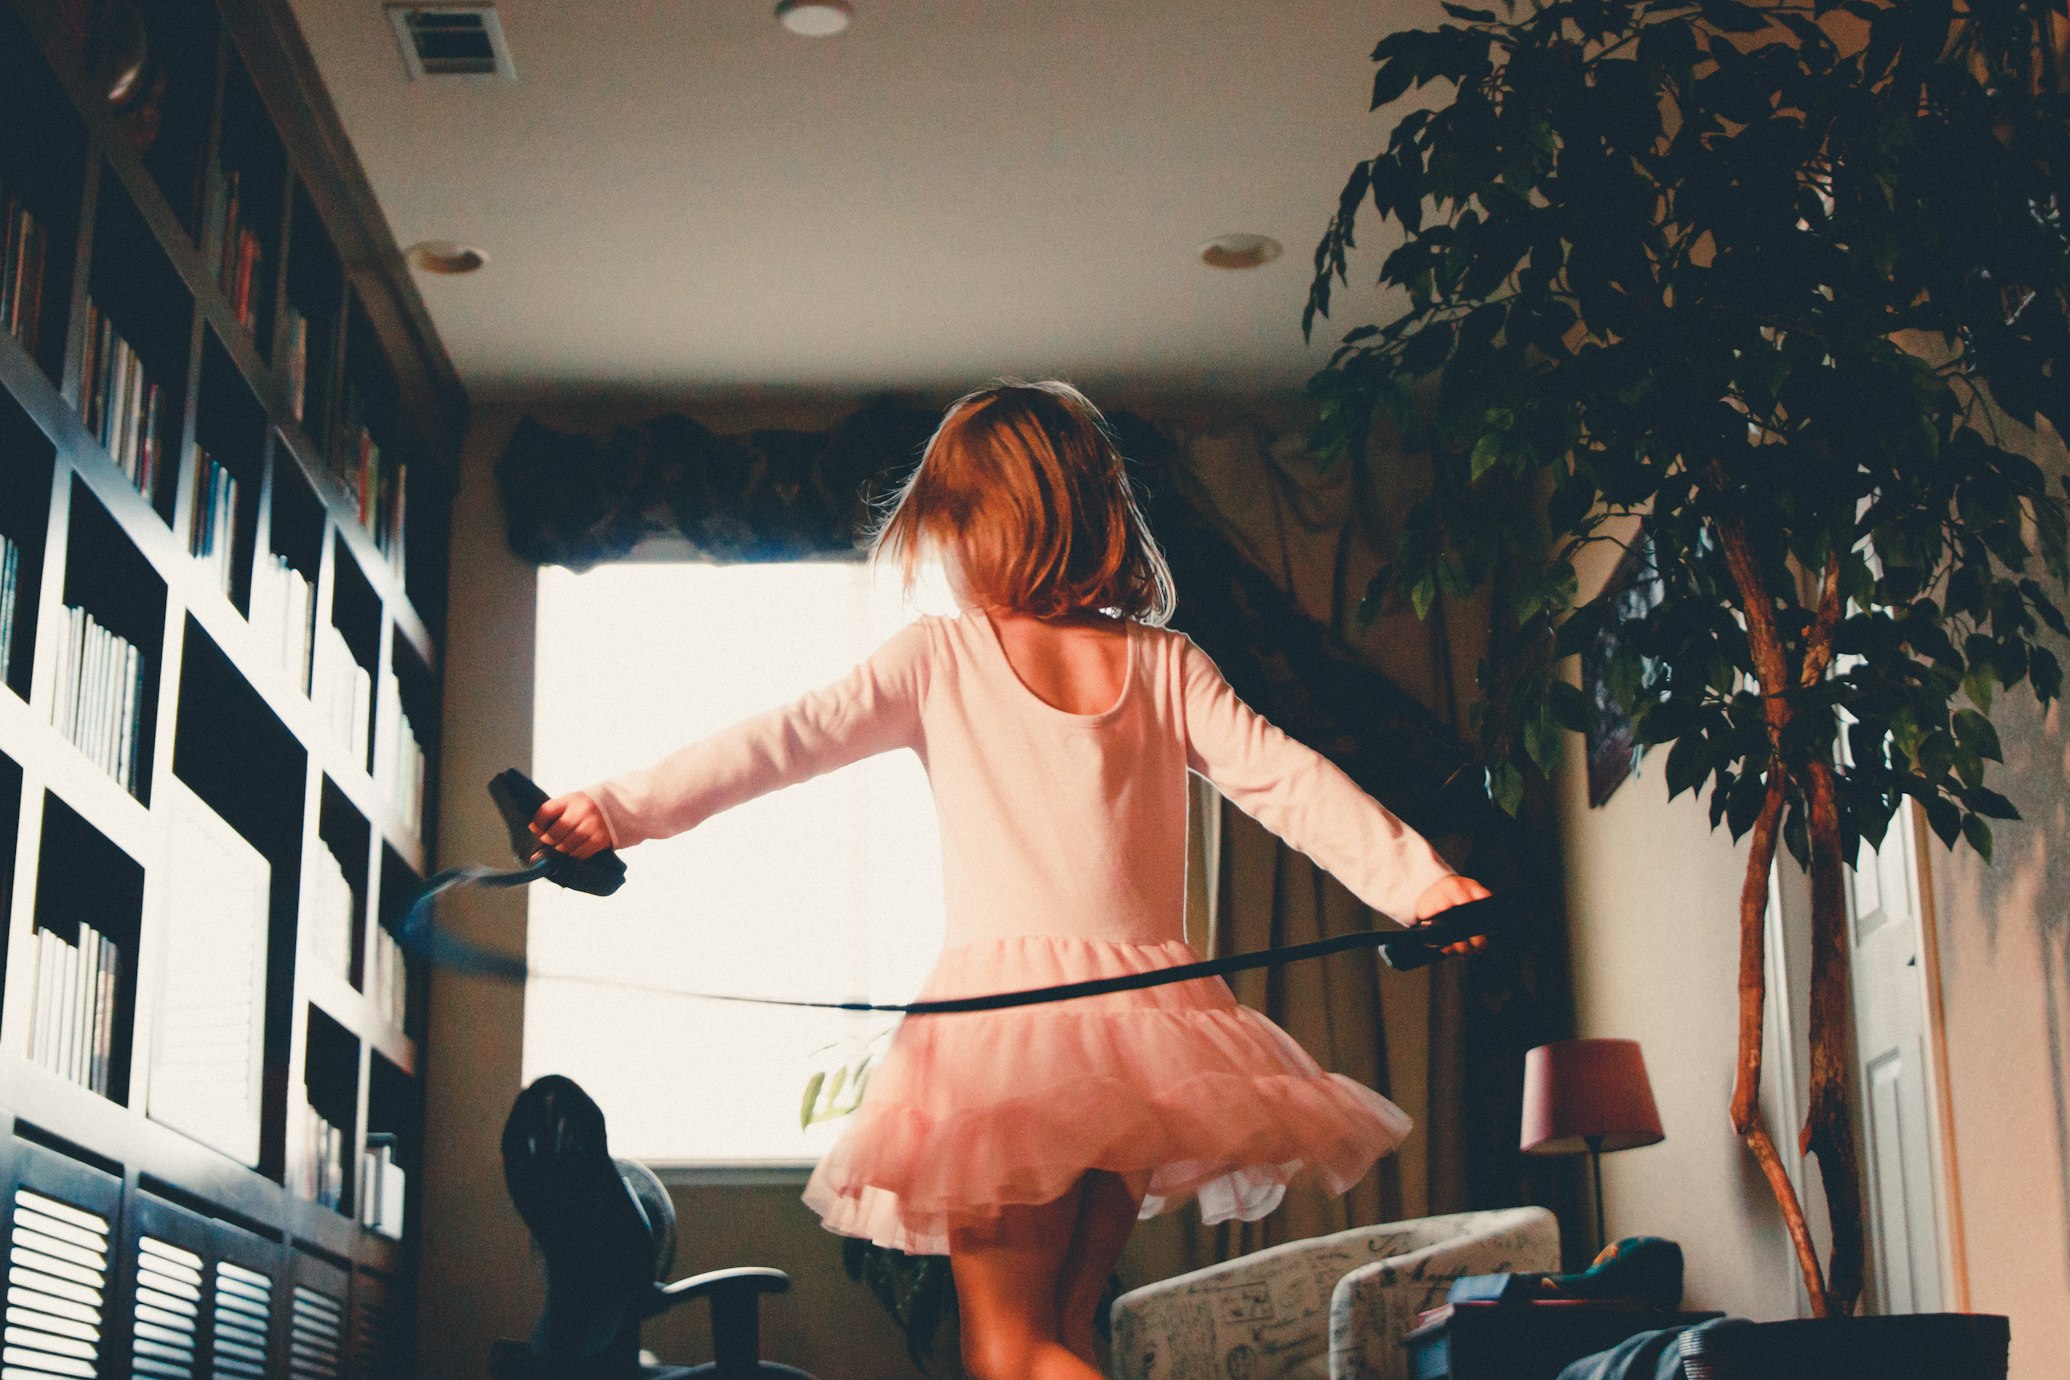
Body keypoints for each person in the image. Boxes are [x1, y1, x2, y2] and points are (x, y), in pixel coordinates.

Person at [526, 380, 1491, 1380]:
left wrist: (616, 808)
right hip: (1146, 1031)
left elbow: (782, 743)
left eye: (948, 526)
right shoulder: (1166, 665)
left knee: (1011, 1349)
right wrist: (1422, 885)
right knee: (1062, 1334)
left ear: (984, 526)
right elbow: (1292, 781)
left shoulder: (939, 660)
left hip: (1006, 1035)